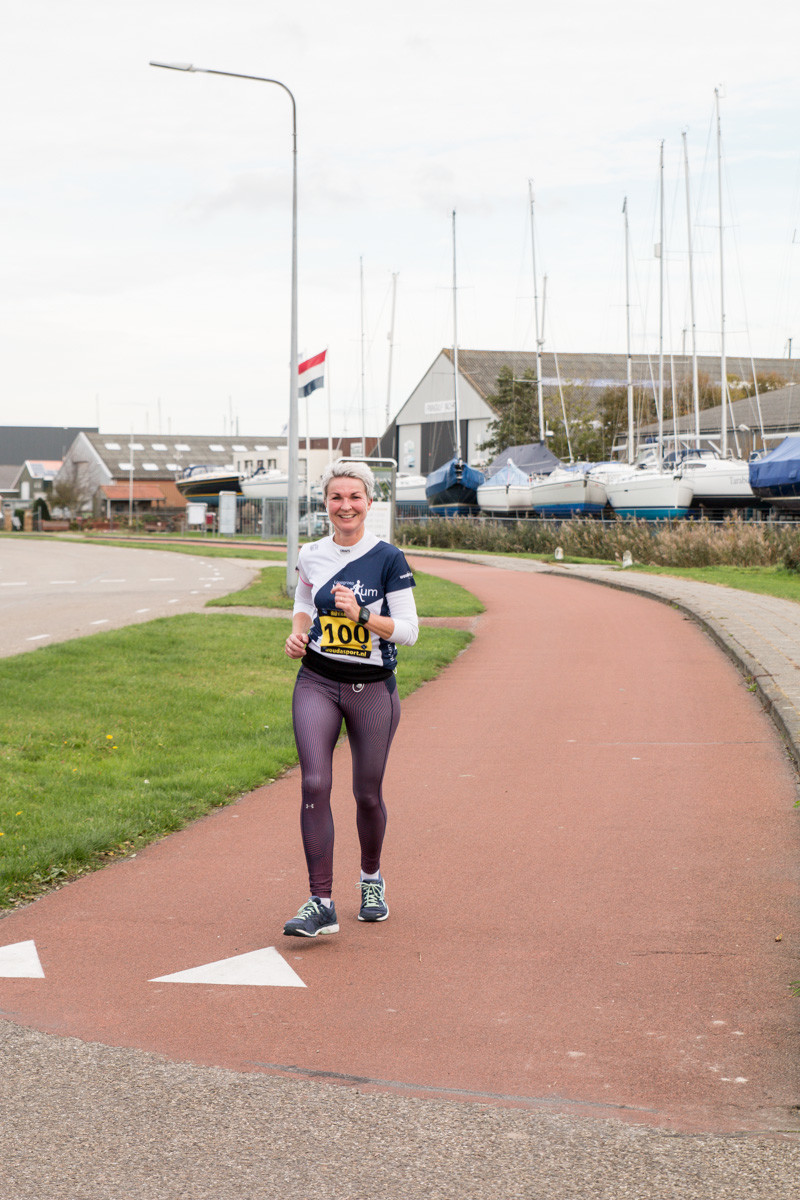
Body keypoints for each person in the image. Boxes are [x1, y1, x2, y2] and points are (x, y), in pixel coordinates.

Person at [283, 460, 419, 937]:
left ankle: (371, 879)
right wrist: (298, 633)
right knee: (314, 783)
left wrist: (362, 615)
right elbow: (304, 601)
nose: (346, 506)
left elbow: (409, 631)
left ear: (369, 502)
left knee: (366, 793)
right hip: (317, 680)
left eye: (354, 497)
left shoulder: (388, 558)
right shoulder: (312, 554)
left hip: (372, 689)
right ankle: (321, 902)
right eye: (336, 497)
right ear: (325, 503)